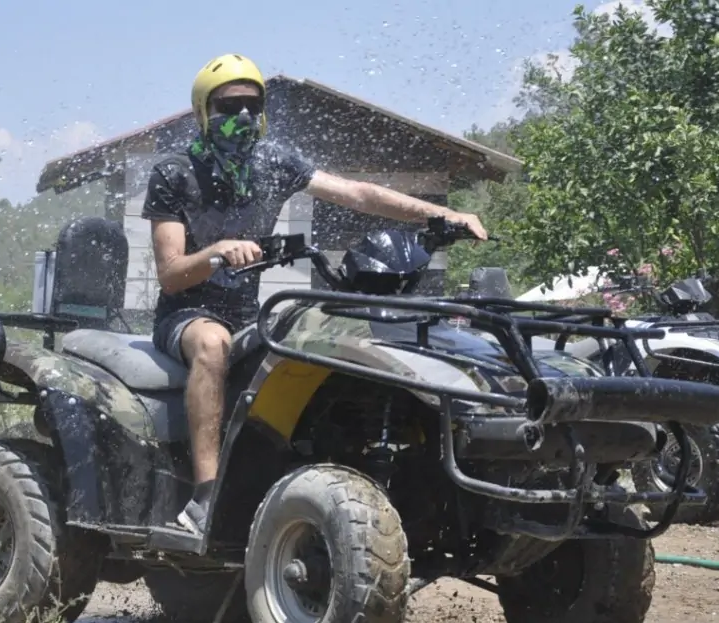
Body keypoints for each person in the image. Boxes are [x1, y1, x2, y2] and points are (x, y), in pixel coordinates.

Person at [142, 53, 487, 536]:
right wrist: (218, 251)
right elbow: (171, 274)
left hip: (249, 314)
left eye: (252, 105)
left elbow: (359, 194)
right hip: (188, 313)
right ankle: (205, 496)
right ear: (204, 110)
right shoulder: (175, 173)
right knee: (212, 344)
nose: (243, 116)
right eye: (229, 105)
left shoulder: (272, 161)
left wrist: (440, 216)